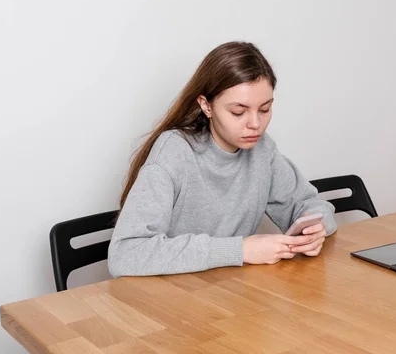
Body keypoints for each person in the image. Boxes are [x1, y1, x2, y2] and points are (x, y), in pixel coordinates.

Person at [108, 41, 337, 277]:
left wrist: (315, 227)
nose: (255, 124)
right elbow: (126, 254)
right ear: (206, 106)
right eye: (238, 112)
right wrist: (240, 251)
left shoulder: (262, 149)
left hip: (228, 293)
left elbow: (310, 204)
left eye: (265, 109)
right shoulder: (175, 151)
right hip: (171, 297)